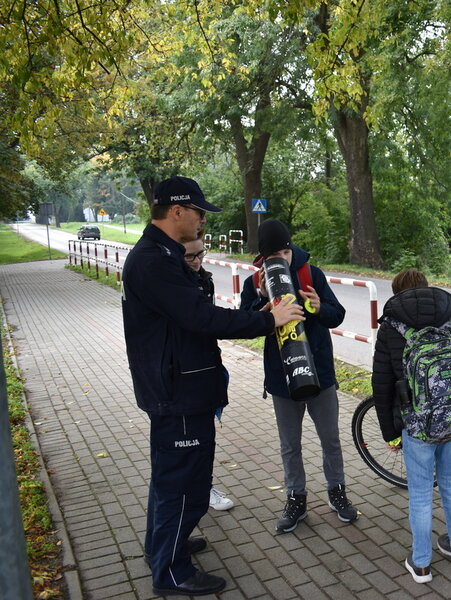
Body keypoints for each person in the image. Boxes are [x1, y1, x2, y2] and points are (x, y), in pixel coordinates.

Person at [122, 176, 303, 597]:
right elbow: (201, 318)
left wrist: (258, 313)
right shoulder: (154, 262)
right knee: (185, 485)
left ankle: (161, 547)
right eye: (199, 212)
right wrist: (268, 320)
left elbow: (192, 314)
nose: (203, 221)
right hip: (179, 392)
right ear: (177, 211)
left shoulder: (161, 255)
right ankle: (171, 571)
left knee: (169, 479)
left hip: (178, 386)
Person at [371, 268, 451, 584]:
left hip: (416, 425)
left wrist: (389, 433)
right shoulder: (450, 319)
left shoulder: (390, 327)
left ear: (397, 294)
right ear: (426, 289)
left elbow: (381, 386)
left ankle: (422, 563)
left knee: (421, 493)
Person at [239, 218, 359, 532]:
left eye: (285, 252)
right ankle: (296, 498)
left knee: (330, 439)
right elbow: (243, 324)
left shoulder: (311, 274)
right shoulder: (253, 283)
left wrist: (318, 308)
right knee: (290, 444)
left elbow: (337, 315)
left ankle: (337, 492)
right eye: (274, 255)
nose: (282, 258)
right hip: (282, 379)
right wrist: (262, 301)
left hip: (319, 374)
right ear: (263, 257)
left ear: (291, 248)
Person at [182, 237, 236, 512]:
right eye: (189, 257)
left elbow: (212, 321)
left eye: (200, 254)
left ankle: (204, 488)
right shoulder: (173, 284)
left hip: (207, 367)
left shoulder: (205, 280)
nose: (196, 262)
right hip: (181, 377)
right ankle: (189, 493)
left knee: (206, 436)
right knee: (185, 444)